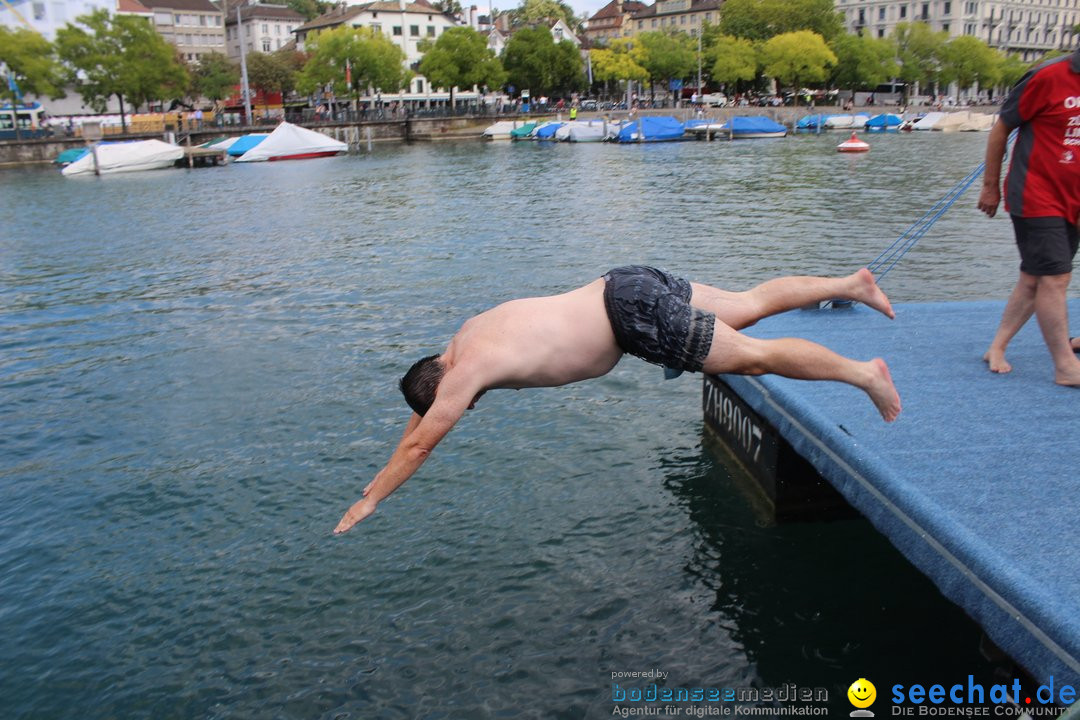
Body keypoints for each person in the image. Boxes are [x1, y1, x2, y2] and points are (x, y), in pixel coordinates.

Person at [334, 267, 901, 534]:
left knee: (753, 356)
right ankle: (851, 285)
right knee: (749, 302)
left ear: (451, 387)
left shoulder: (467, 375)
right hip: (624, 283)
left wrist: (373, 500)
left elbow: (422, 446)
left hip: (632, 320)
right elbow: (422, 409)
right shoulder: (463, 340)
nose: (464, 404)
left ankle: (864, 374)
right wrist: (382, 465)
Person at [977, 47, 1080, 384]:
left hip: (1075, 197)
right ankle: (1065, 366)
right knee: (1055, 276)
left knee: (1034, 277)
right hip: (1037, 193)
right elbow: (1001, 129)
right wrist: (990, 186)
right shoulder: (1049, 76)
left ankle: (997, 346)